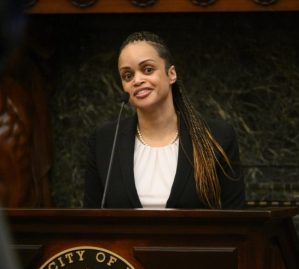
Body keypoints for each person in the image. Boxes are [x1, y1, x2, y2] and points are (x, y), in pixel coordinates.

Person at [83, 31, 245, 209]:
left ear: (171, 74)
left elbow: (236, 218)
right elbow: (92, 219)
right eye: (128, 76)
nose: (137, 80)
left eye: (148, 70)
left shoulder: (217, 136)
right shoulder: (104, 141)